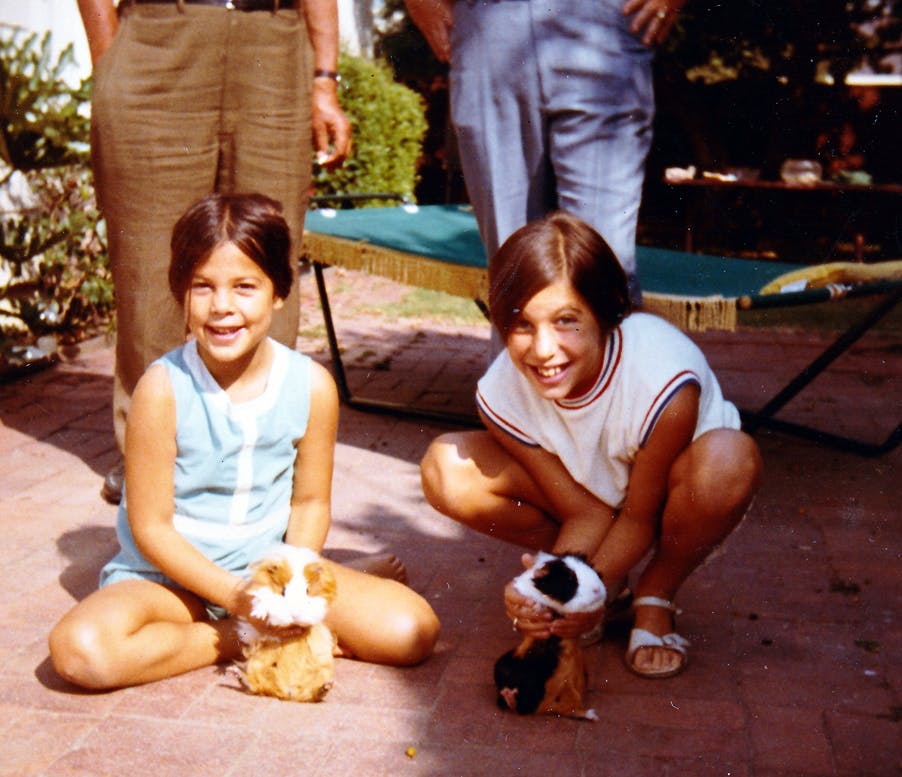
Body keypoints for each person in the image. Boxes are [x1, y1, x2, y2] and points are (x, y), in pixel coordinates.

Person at [49, 194, 439, 689]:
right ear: (181, 294)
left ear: (278, 292)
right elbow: (151, 528)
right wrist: (243, 605)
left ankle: (303, 598)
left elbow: (311, 502)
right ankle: (242, 636)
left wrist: (293, 584)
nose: (223, 307)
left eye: (245, 286)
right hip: (169, 581)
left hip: (267, 571)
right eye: (202, 287)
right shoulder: (161, 388)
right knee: (82, 652)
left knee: (413, 631)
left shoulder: (312, 385)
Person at [420, 212, 761, 678]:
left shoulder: (663, 383)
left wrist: (575, 586)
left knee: (730, 458)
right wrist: (551, 590)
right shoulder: (499, 395)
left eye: (566, 321)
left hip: (670, 505)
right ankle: (605, 584)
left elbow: (639, 517)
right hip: (594, 504)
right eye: (521, 325)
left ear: (605, 313)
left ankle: (654, 593)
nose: (543, 350)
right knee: (446, 466)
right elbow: (587, 513)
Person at [75, 0, 352, 504]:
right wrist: (110, 56)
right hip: (159, 37)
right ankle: (150, 454)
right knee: (150, 267)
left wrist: (324, 79)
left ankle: (264, 452)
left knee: (266, 257)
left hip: (273, 40)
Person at [405, 0, 687, 305]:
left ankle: (612, 353)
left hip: (601, 25)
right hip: (488, 27)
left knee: (603, 268)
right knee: (514, 275)